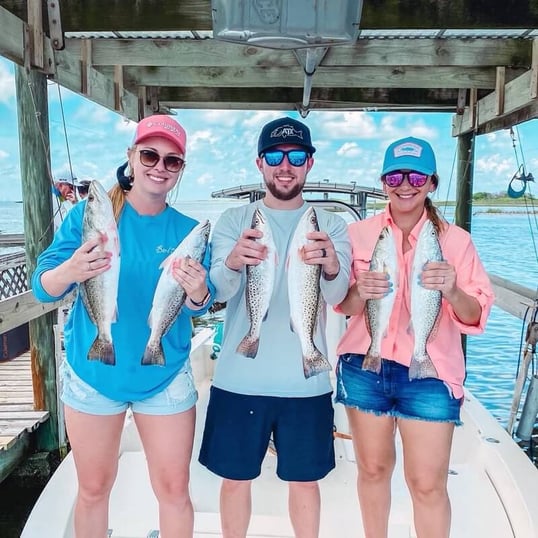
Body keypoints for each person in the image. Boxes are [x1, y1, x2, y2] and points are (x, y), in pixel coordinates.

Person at [32, 114, 215, 538]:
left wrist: (198, 291)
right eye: (150, 155)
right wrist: (72, 270)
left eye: (172, 161)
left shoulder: (189, 232)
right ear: (131, 156)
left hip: (164, 375)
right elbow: (43, 288)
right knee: (93, 490)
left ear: (181, 170)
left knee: (175, 491)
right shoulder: (89, 216)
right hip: (93, 374)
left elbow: (196, 306)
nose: (159, 167)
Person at [199, 117, 352, 538]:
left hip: (306, 383)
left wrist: (332, 265)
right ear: (260, 163)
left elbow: (338, 295)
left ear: (310, 163)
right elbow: (219, 290)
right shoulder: (235, 220)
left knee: (306, 482)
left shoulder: (331, 224)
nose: (286, 166)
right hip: (239, 378)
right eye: (275, 156)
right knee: (235, 480)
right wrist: (233, 261)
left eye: (297, 156)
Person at [334, 137, 494, 538]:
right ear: (383, 182)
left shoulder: (456, 241)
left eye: (417, 176)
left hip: (431, 373)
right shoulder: (357, 234)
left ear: (432, 183)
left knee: (427, 485)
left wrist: (452, 290)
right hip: (364, 366)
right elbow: (344, 305)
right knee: (372, 470)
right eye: (395, 176)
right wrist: (359, 291)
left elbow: (474, 315)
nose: (405, 185)